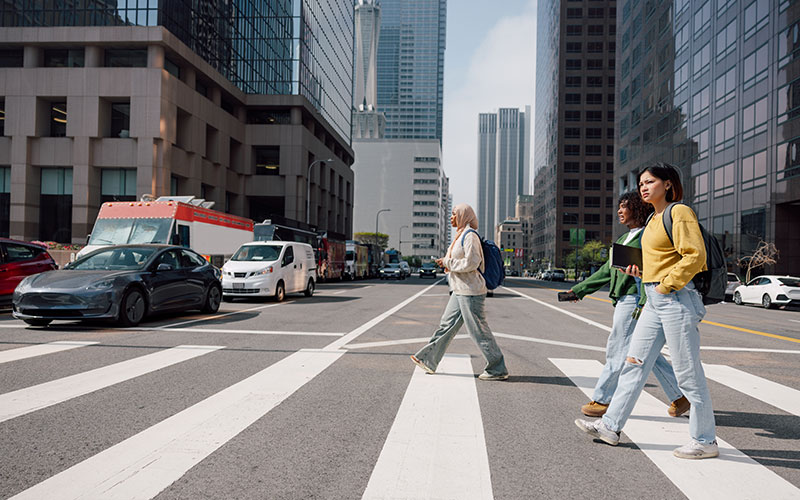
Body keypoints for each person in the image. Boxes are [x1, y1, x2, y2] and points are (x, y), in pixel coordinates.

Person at [575, 162, 717, 459]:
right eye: (641, 183)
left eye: (650, 181)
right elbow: (662, 261)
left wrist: (666, 285)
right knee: (634, 363)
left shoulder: (679, 213)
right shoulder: (654, 220)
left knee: (688, 372)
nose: (643, 187)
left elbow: (695, 255)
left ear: (668, 184)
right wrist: (642, 274)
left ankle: (705, 441)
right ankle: (611, 426)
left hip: (676, 299)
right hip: (653, 298)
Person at [564, 191, 689, 418]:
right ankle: (680, 397)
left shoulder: (647, 237)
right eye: (619, 207)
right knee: (645, 351)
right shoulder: (624, 239)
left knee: (617, 348)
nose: (620, 211)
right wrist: (579, 290)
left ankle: (602, 399)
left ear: (638, 209)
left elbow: (653, 272)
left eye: (624, 206)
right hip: (626, 299)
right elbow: (606, 271)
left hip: (635, 299)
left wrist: (642, 302)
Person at [410, 203, 509, 381]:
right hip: (459, 289)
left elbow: (472, 262)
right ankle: (428, 359)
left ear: (464, 215)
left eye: (454, 214)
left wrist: (447, 263)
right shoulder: (460, 235)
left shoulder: (470, 236)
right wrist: (446, 261)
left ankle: (497, 368)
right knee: (446, 325)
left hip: (471, 291)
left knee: (478, 331)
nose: (451, 217)